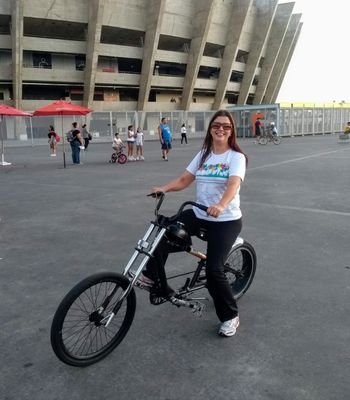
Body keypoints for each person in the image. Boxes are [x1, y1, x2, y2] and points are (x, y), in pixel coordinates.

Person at [139, 109, 247, 337]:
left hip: (225, 220)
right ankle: (153, 279)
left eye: (226, 127)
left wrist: (221, 205)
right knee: (163, 232)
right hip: (200, 214)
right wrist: (164, 188)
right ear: (210, 128)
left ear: (231, 132)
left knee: (214, 270)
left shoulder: (235, 157)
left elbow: (233, 185)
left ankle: (230, 316)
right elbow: (184, 179)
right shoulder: (204, 154)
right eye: (216, 125)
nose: (220, 129)